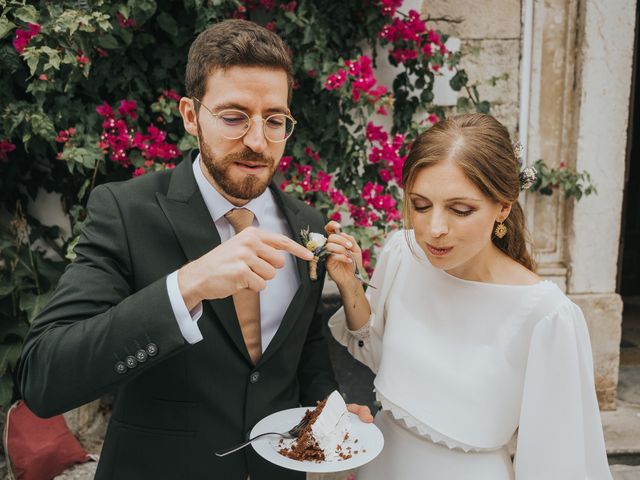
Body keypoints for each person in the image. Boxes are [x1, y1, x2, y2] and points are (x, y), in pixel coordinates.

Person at [16, 19, 371, 480]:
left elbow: (304, 346)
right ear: (189, 115)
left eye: (275, 120)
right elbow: (43, 377)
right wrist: (187, 285)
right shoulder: (125, 212)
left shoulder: (307, 223)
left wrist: (329, 413)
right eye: (233, 117)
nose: (257, 140)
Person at [325, 113, 613, 479]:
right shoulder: (402, 253)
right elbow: (380, 357)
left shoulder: (546, 315)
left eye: (460, 210)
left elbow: (558, 461)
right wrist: (350, 285)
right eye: (421, 205)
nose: (434, 229)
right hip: (382, 465)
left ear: (503, 207)